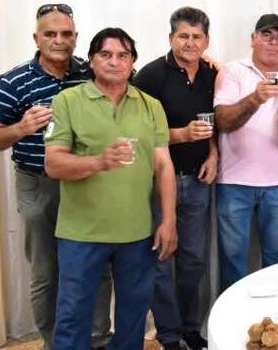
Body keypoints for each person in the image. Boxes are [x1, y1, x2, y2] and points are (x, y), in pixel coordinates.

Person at [0, 4, 111, 350]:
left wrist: (203, 62)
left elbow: (129, 79)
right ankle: (56, 343)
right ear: (36, 38)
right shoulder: (14, 80)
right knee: (46, 271)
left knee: (96, 264)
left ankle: (98, 339)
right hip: (37, 183)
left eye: (66, 33)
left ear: (76, 38)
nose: (58, 40)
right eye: (50, 34)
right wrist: (20, 128)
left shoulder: (90, 72)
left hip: (85, 182)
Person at [44, 27, 178, 350]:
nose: (114, 61)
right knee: (73, 316)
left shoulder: (151, 106)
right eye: (105, 54)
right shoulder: (66, 101)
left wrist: (169, 220)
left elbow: (163, 166)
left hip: (137, 232)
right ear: (91, 60)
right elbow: (53, 164)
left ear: (132, 63)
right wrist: (99, 162)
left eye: (123, 55)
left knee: (133, 316)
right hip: (81, 233)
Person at [133, 7, 217, 350]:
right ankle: (169, 336)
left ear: (207, 41)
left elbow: (214, 124)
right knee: (161, 259)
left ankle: (189, 329)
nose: (190, 43)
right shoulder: (150, 76)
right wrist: (181, 134)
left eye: (197, 37)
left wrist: (213, 153)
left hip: (198, 181)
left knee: (194, 260)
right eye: (183, 36)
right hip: (156, 183)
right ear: (171, 38)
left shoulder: (212, 73)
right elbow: (137, 133)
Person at [214, 14, 278, 291]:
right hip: (233, 182)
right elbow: (222, 121)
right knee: (233, 260)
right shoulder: (233, 71)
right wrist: (255, 98)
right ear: (253, 39)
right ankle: (231, 317)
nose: (273, 43)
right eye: (266, 36)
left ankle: (275, 314)